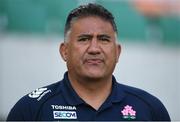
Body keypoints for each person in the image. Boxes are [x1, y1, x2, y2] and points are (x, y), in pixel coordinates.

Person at [7, 3, 170, 121]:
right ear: (64, 51)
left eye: (104, 39)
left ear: (117, 52)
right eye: (84, 39)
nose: (94, 49)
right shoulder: (31, 109)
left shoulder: (150, 109)